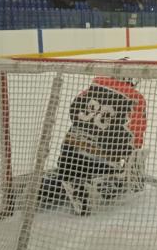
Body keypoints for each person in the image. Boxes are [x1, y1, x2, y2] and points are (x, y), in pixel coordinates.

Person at [39, 77, 148, 215]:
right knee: (117, 185)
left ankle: (46, 187)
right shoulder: (136, 98)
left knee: (66, 175)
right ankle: (91, 188)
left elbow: (74, 110)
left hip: (69, 151)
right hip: (100, 162)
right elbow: (136, 132)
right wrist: (127, 153)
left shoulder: (96, 84)